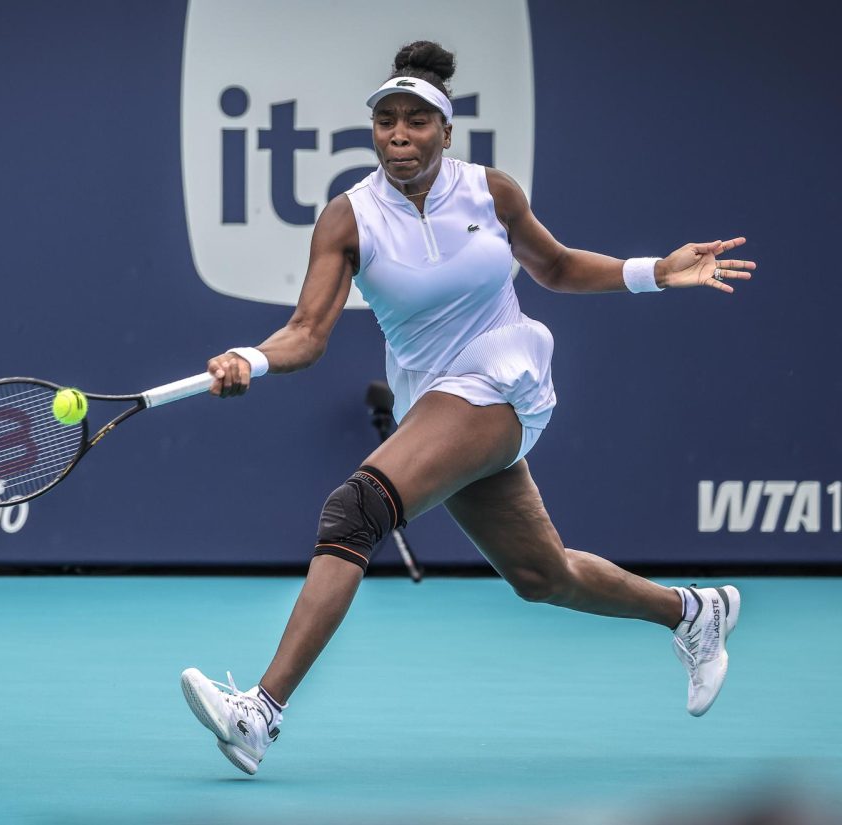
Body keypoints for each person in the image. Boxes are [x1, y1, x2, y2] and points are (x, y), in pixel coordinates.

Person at [179, 40, 755, 776]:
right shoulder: (347, 218)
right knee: (542, 575)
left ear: (446, 130)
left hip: (502, 377)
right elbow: (307, 333)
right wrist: (251, 359)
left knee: (354, 511)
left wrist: (654, 272)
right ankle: (694, 613)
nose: (398, 133)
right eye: (386, 119)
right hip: (434, 407)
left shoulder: (492, 191)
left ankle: (260, 711)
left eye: (417, 120)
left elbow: (555, 266)